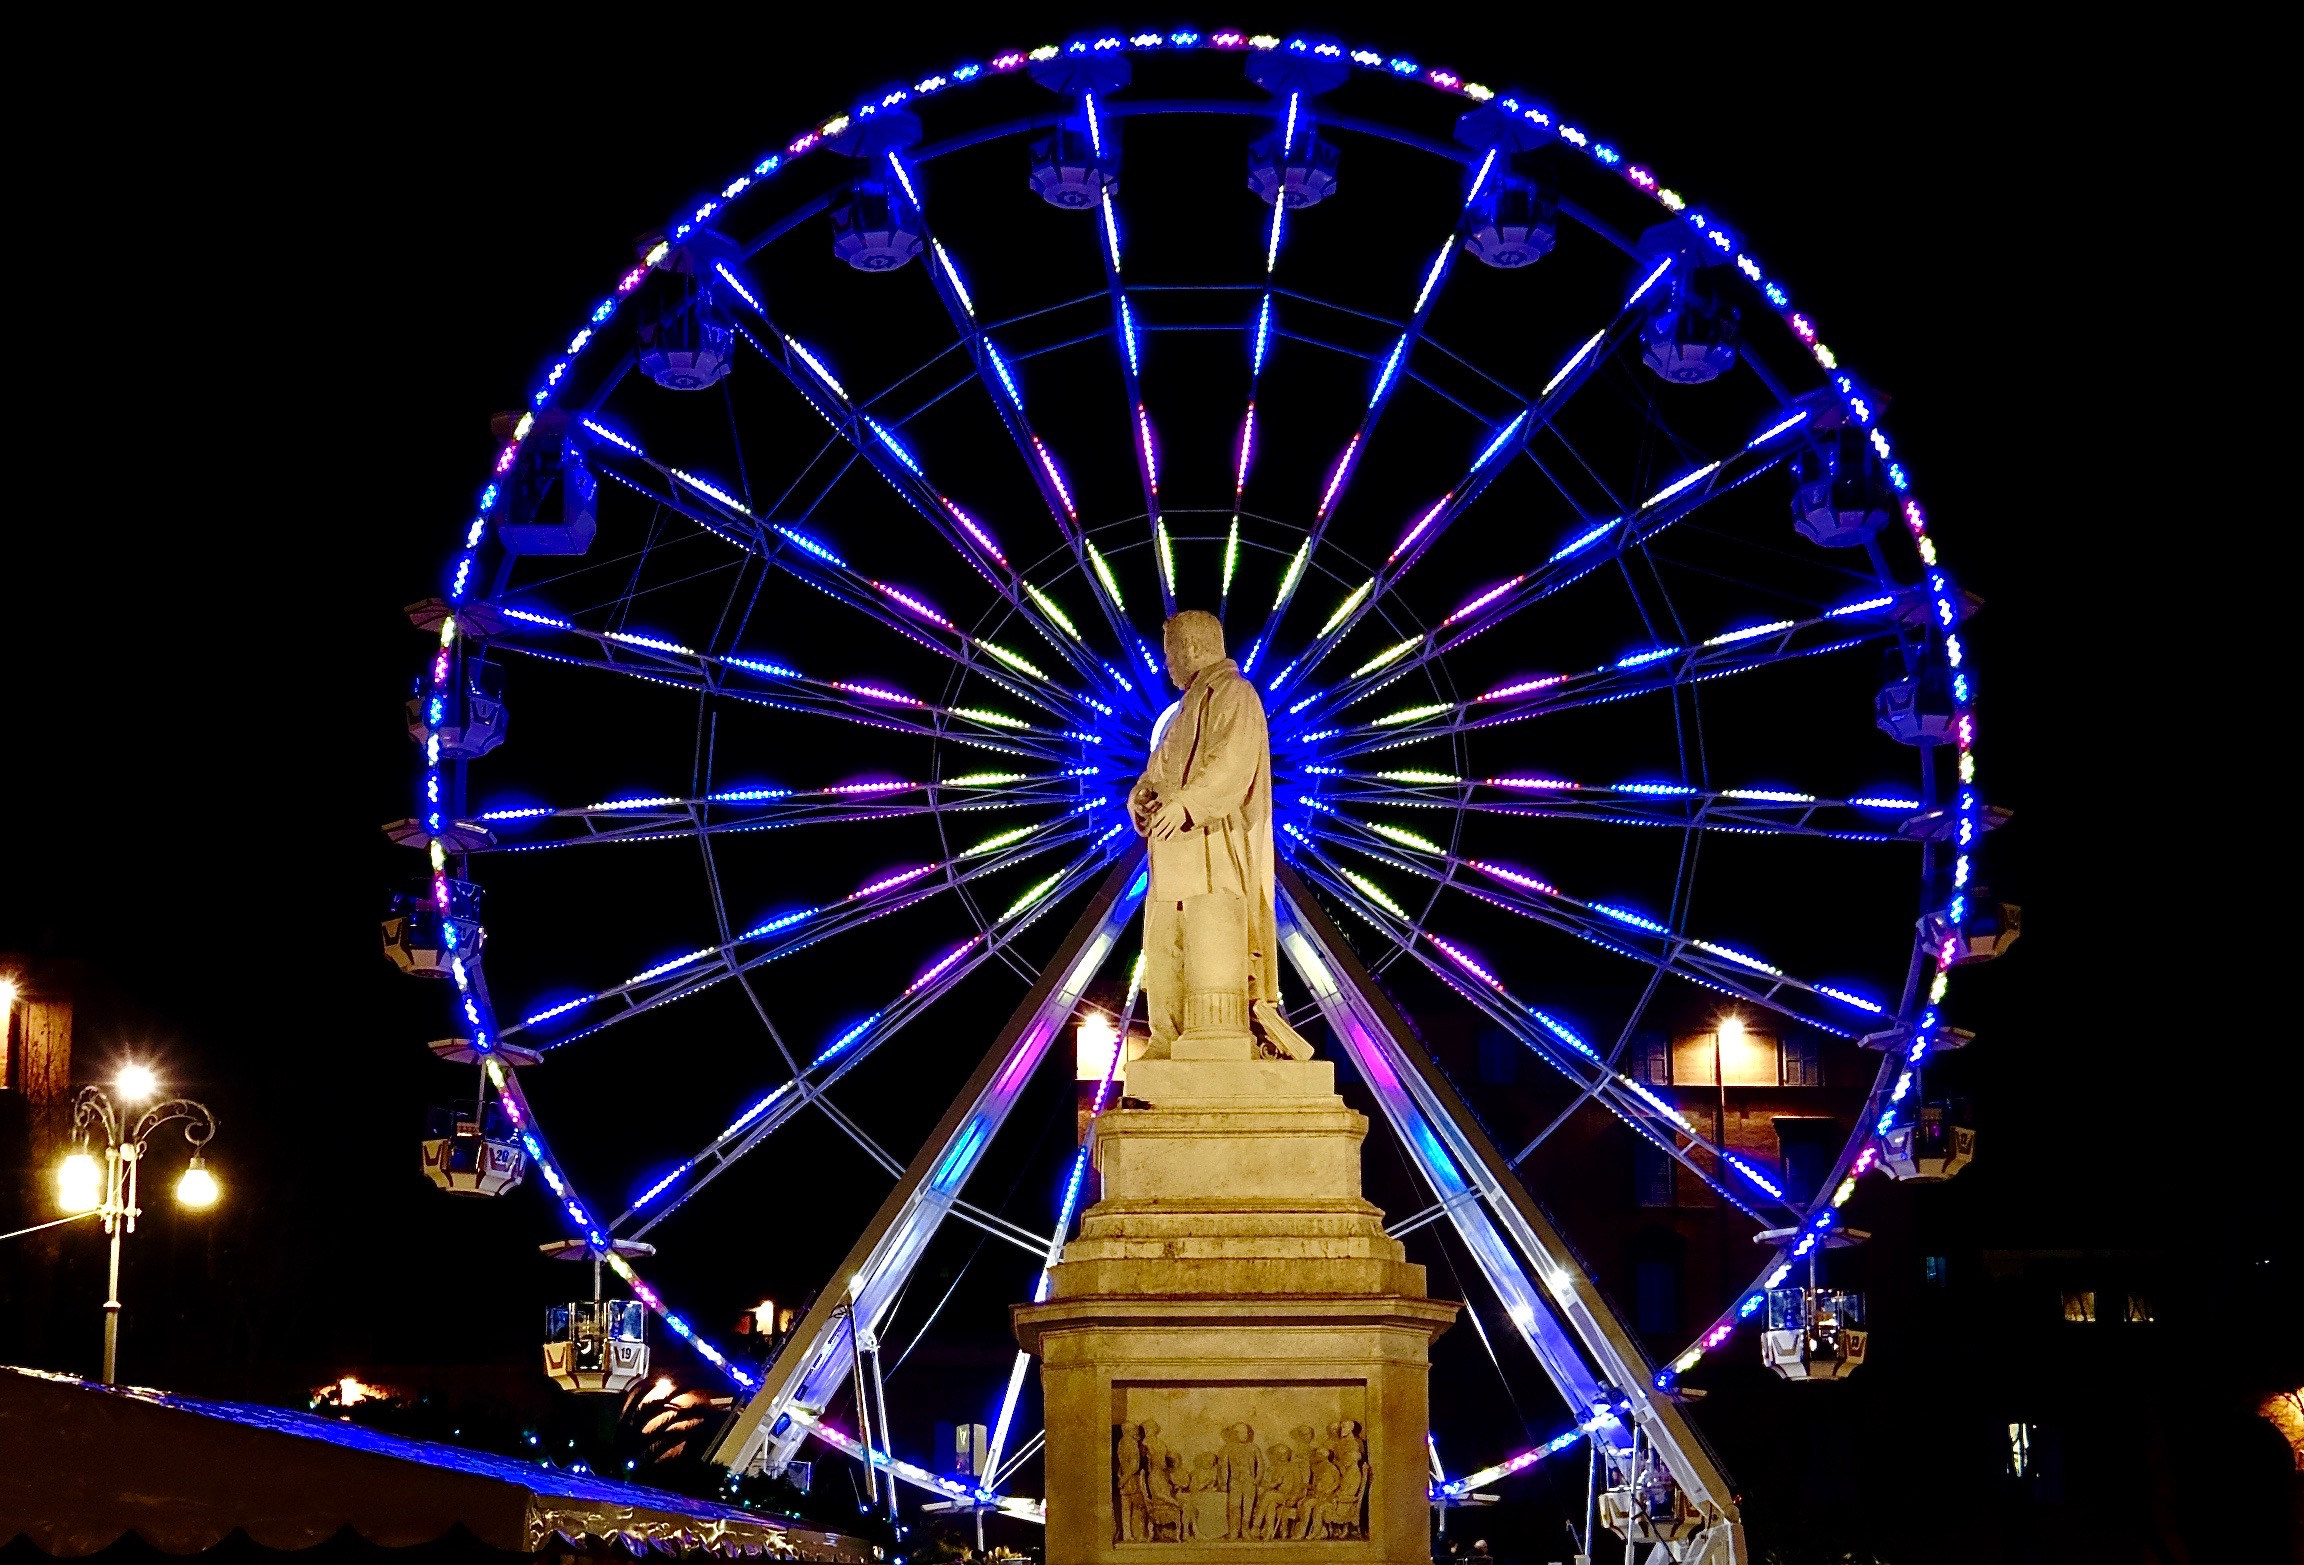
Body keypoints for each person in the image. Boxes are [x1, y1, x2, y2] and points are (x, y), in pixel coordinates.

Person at [1130, 610, 1312, 1062]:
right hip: (1171, 846)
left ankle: (1214, 1039)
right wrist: (1141, 796)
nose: (1165, 663)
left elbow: (1232, 765)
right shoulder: (1185, 710)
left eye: (1169, 651)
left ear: (1191, 648)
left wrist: (1188, 805)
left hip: (1212, 844)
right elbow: (1159, 768)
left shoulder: (1235, 694)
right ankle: (1165, 1036)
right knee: (1163, 942)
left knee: (1207, 939)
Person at [1115, 1422, 1147, 1542]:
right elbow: (1134, 1465)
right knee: (1138, 1507)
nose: (1136, 1431)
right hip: (1131, 1479)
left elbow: (1121, 1465)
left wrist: (1121, 1477)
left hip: (1124, 1479)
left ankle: (1127, 1534)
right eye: (1134, 1429)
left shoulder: (1121, 1442)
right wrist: (1124, 1479)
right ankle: (1139, 1534)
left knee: (1126, 1509)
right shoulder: (1131, 1443)